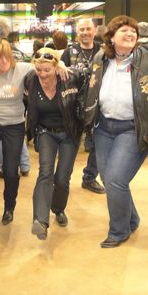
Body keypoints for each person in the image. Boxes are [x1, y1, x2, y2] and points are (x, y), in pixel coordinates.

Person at [81, 15, 148, 248]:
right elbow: (87, 81)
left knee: (115, 180)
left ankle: (119, 230)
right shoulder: (101, 58)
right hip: (103, 127)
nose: (130, 34)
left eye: (133, 31)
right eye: (124, 31)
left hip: (133, 129)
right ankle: (132, 219)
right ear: (111, 37)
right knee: (110, 178)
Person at [0, 39, 65, 225]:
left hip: (14, 123)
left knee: (11, 172)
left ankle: (9, 208)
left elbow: (47, 64)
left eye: (6, 57)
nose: (3, 61)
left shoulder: (23, 69)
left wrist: (61, 65)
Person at [25, 48, 83, 240]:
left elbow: (89, 75)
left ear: (56, 67)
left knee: (62, 178)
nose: (42, 74)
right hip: (45, 132)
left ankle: (58, 209)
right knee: (45, 172)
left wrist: (64, 64)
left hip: (69, 133)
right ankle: (40, 221)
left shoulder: (69, 78)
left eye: (47, 70)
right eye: (39, 70)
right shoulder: (31, 79)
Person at [60, 17, 105, 194]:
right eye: (81, 29)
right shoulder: (68, 52)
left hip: (97, 105)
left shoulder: (103, 51)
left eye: (88, 29)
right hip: (73, 106)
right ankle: (63, 180)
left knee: (98, 144)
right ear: (77, 32)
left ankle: (90, 178)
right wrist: (59, 64)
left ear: (94, 31)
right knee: (71, 144)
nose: (85, 32)